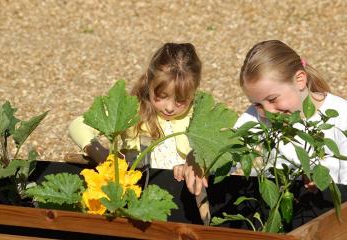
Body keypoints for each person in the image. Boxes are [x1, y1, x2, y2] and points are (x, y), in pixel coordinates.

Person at [175, 39, 347, 195]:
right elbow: (226, 149)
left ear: (300, 80)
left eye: (273, 99)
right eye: (257, 104)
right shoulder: (256, 118)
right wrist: (197, 159)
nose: (268, 112)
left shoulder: (340, 115)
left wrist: (323, 183)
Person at [69, 42, 202, 169]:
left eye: (181, 100)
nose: (169, 107)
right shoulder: (132, 110)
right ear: (149, 81)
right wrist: (99, 153)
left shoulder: (199, 114)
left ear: (194, 91)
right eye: (161, 96)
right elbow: (78, 125)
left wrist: (195, 164)